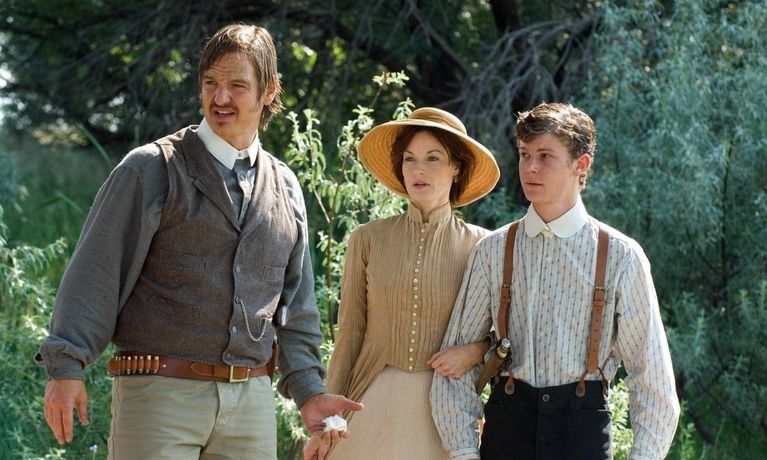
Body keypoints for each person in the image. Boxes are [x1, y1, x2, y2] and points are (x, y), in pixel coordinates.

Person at [35, 23, 362, 459]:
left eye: (237, 86)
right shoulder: (151, 168)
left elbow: (296, 306)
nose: (220, 98)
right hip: (159, 397)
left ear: (269, 90)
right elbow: (96, 273)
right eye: (210, 83)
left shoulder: (285, 186)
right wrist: (66, 365)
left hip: (251, 406)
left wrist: (309, 391)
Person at [431, 102, 680, 459]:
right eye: (524, 154)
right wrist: (464, 452)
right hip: (507, 430)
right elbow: (453, 368)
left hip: (582, 434)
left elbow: (652, 378)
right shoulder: (493, 251)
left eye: (545, 156)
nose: (530, 167)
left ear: (582, 164)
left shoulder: (621, 256)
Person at [303, 107, 501, 459]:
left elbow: (507, 337)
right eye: (409, 159)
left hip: (445, 416)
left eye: (433, 158)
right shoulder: (367, 239)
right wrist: (328, 422)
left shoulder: (483, 246)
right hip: (367, 405)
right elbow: (349, 334)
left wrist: (475, 351)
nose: (418, 169)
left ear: (457, 167)